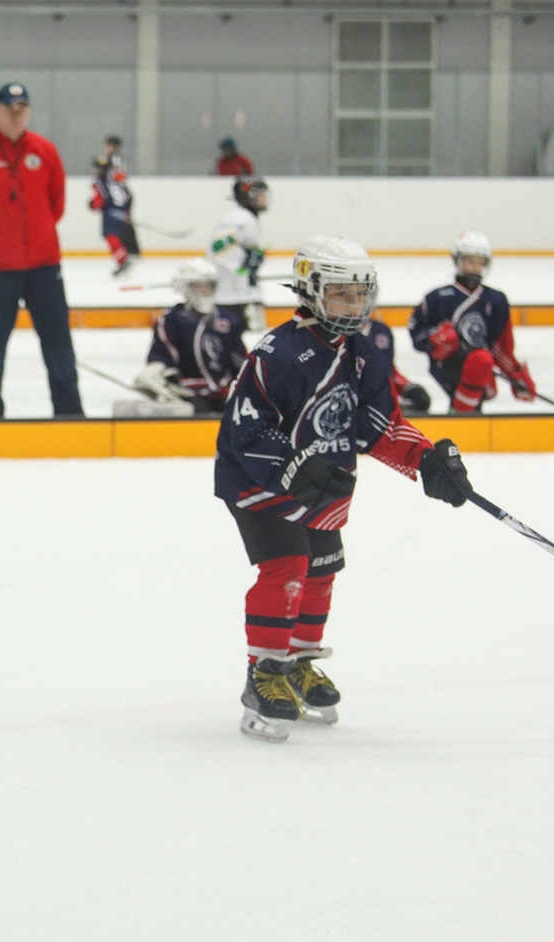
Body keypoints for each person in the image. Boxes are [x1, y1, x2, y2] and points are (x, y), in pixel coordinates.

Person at [215, 236, 475, 743]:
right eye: (340, 293)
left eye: (360, 294)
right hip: (260, 482)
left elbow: (378, 424)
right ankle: (264, 672)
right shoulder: (277, 352)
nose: (353, 305)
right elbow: (245, 428)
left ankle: (299, 664)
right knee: (287, 566)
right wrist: (290, 468)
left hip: (329, 481)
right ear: (310, 291)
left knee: (322, 571)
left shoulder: (368, 349)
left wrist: (425, 459)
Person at [0, 81, 82, 419]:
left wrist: (36, 236)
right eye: (10, 109)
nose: (16, 115)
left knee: (59, 346)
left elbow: (56, 203)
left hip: (44, 268)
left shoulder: (45, 151)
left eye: (22, 109)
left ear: (29, 112)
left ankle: (70, 415)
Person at [406, 231, 537, 415]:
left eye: (480, 262)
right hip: (447, 365)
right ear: (458, 261)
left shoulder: (496, 300)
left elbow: (501, 346)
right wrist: (433, 339)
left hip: (481, 369)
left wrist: (515, 374)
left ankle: (461, 416)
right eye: (470, 261)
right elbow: (416, 330)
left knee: (481, 361)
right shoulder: (437, 298)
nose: (475, 267)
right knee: (480, 361)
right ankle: (463, 415)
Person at [132, 259, 244, 414]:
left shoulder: (227, 319)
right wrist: (156, 370)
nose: (205, 291)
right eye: (198, 286)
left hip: (224, 391)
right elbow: (163, 354)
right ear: (186, 288)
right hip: (189, 392)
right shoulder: (172, 320)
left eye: (208, 286)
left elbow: (239, 358)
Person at [210, 173, 269, 331]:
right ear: (248, 196)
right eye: (260, 195)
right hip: (228, 293)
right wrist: (244, 262)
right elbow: (218, 249)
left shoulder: (247, 218)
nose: (265, 198)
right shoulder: (240, 219)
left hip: (238, 291)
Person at [90, 140, 139, 277]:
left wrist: (92, 205)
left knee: (110, 235)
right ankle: (127, 255)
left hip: (110, 213)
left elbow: (98, 202)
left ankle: (123, 259)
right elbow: (128, 196)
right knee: (119, 235)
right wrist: (126, 211)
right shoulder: (117, 182)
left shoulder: (99, 182)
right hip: (122, 213)